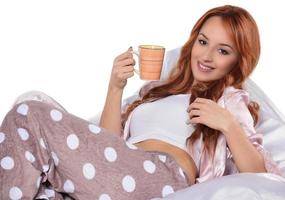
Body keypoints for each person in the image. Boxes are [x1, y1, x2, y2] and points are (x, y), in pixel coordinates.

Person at [0, 5, 282, 200]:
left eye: (222, 50)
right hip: (118, 170)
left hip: (162, 177)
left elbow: (258, 177)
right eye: (203, 41)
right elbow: (108, 146)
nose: (206, 56)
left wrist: (229, 125)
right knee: (42, 182)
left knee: (29, 113)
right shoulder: (156, 91)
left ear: (238, 61)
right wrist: (115, 88)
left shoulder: (229, 100)